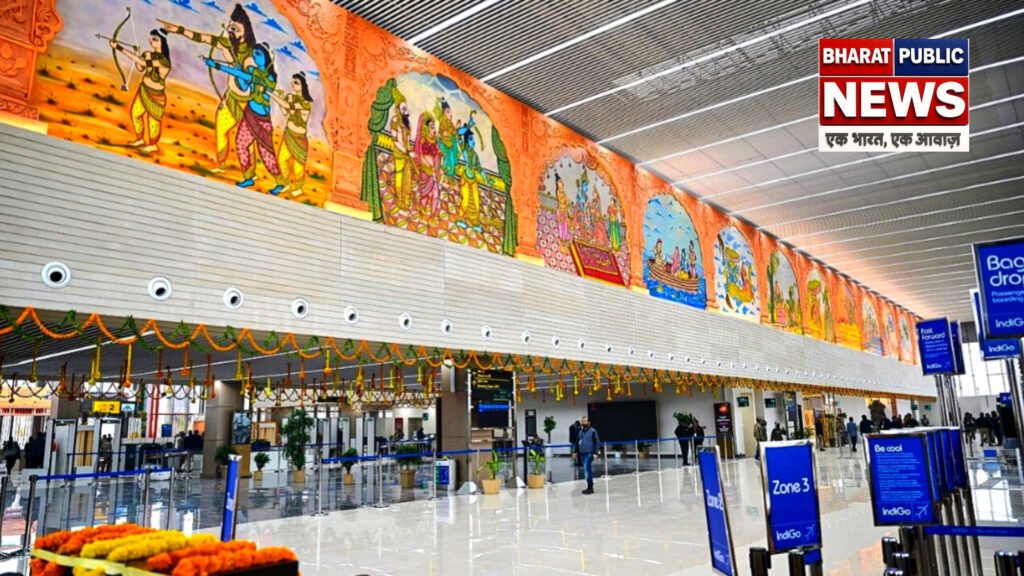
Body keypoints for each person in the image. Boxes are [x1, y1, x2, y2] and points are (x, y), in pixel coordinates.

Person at [160, 4, 258, 172]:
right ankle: (221, 164)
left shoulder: (252, 54)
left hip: (247, 103)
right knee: (221, 129)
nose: (230, 31)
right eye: (230, 27)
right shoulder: (226, 44)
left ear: (245, 32)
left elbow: (248, 79)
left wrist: (229, 65)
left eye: (235, 29)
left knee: (246, 138)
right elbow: (202, 38)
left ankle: (250, 171)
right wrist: (179, 30)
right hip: (230, 98)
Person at [203, 43, 284, 193]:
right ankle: (248, 177)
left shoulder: (270, 79)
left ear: (266, 57)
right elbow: (242, 78)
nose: (254, 57)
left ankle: (280, 181)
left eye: (258, 54)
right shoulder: (253, 71)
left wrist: (229, 70)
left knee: (266, 153)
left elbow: (247, 77)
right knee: (241, 144)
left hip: (262, 120)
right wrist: (217, 66)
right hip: (249, 114)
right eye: (254, 54)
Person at [108, 29, 172, 153]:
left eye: (155, 39)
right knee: (135, 114)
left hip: (156, 95)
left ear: (162, 43)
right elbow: (140, 67)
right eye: (151, 38)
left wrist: (119, 48)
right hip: (144, 89)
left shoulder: (164, 61)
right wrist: (136, 54)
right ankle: (140, 139)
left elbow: (143, 63)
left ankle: (153, 145)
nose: (151, 41)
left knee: (153, 121)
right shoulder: (148, 54)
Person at [269, 72, 314, 198]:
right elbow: (286, 112)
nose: (292, 84)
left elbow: (288, 106)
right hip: (288, 134)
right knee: (281, 159)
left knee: (298, 166)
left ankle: (298, 188)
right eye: (293, 82)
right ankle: (285, 183)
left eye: (296, 82)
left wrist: (270, 93)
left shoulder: (306, 102)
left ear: (303, 86)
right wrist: (280, 99)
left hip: (299, 138)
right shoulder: (291, 97)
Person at [576, 416, 600, 495]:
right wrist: (575, 451)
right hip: (582, 453)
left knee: (586, 469)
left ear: (589, 422)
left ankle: (590, 487)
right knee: (587, 469)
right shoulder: (580, 432)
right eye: (583, 421)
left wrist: (596, 452)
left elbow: (597, 442)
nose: (584, 422)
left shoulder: (593, 431)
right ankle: (589, 486)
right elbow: (578, 442)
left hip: (589, 453)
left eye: (585, 421)